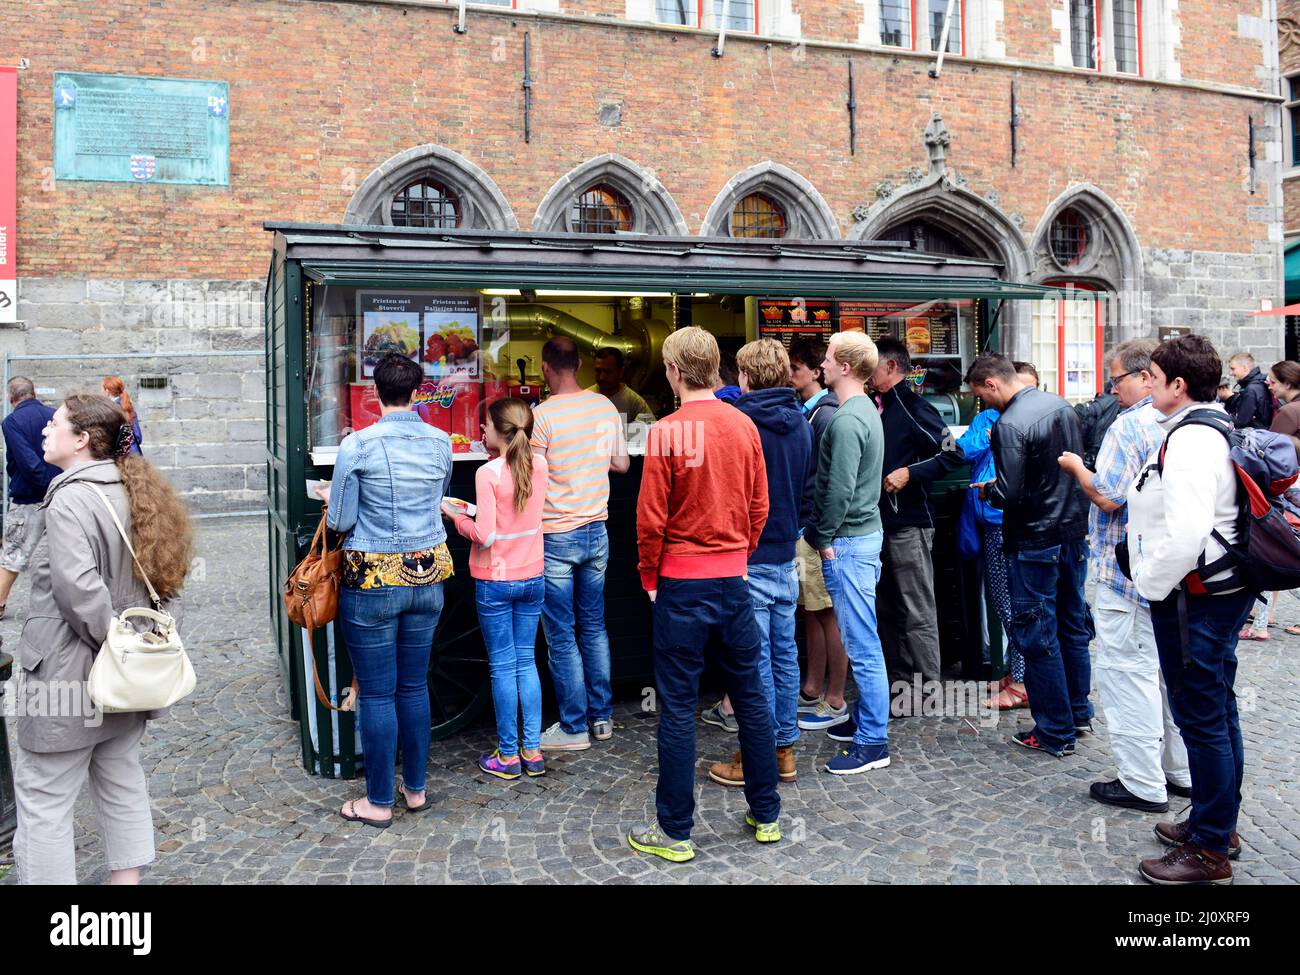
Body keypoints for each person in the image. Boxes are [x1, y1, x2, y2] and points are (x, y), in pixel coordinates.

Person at [13, 392, 193, 884]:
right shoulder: (139, 489)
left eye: (54, 424)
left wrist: (115, 648)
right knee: (120, 779)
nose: (44, 432)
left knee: (44, 798)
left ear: (82, 440)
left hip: (68, 675)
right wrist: (138, 648)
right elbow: (170, 586)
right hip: (128, 674)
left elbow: (79, 593)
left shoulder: (70, 496)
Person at [628, 326, 779, 862]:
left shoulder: (667, 431)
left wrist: (650, 578)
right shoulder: (744, 425)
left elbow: (651, 518)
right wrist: (739, 552)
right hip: (734, 579)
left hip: (681, 583)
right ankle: (766, 815)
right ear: (714, 366)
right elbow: (761, 505)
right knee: (752, 697)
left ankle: (675, 831)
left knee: (677, 706)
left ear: (672, 371)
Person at [1128, 335, 1256, 885]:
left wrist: (1150, 585)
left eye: (1154, 376)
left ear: (1179, 385)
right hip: (1213, 592)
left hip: (1194, 597)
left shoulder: (1191, 439)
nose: (1148, 383)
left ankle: (1209, 851)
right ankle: (1215, 823)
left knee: (1202, 717)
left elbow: (1185, 534)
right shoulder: (1209, 427)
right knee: (1215, 711)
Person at [1058, 339, 1191, 812]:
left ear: (1143, 376)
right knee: (1168, 675)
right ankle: (1180, 771)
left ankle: (1142, 782)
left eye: (1117, 379)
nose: (1112, 390)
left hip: (1126, 573)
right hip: (1178, 573)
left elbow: (1109, 496)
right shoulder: (1198, 420)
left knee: (1129, 675)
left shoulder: (1132, 425)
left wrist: (1076, 466)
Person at [328, 353, 453, 828]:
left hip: (374, 579)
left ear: (373, 392)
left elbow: (340, 518)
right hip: (427, 574)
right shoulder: (441, 442)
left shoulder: (357, 445)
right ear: (418, 391)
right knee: (415, 685)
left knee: (378, 693)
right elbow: (437, 497)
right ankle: (415, 790)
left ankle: (378, 802)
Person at [967, 353, 1093, 758]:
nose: (984, 405)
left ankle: (1055, 730)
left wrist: (988, 491)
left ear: (992, 384)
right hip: (1072, 532)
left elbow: (1010, 493)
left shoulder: (1009, 424)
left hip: (1036, 539)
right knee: (1071, 626)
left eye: (981, 396)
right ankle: (1078, 712)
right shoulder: (1059, 404)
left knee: (1038, 636)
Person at [707, 339, 814, 787]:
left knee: (755, 661)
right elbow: (809, 489)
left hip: (748, 553)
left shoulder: (741, 423)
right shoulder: (803, 422)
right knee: (784, 655)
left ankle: (759, 756)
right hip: (786, 551)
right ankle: (783, 748)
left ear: (746, 377)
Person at [532, 337, 628, 752]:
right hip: (596, 532)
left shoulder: (541, 416)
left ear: (545, 368)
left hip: (556, 534)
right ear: (581, 365)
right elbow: (621, 463)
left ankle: (573, 727)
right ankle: (602, 718)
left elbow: (532, 477)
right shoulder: (604, 407)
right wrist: (591, 459)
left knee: (561, 633)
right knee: (594, 625)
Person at [448, 398, 550, 780]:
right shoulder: (539, 464)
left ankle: (508, 755)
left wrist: (458, 518)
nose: (482, 429)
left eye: (486, 424)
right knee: (527, 662)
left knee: (503, 667)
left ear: (496, 430)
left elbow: (486, 535)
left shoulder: (487, 473)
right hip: (532, 575)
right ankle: (533, 751)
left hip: (495, 579)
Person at [805, 331, 890, 774]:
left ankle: (874, 741)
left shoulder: (846, 419)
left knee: (862, 643)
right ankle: (864, 722)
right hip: (860, 536)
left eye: (828, 357)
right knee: (863, 637)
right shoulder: (862, 411)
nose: (821, 362)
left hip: (849, 541)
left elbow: (837, 491)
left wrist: (821, 537)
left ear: (845, 367)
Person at [869, 337, 965, 704]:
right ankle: (901, 684)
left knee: (916, 607)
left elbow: (952, 455)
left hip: (909, 522)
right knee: (889, 608)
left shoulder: (912, 406)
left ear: (892, 367)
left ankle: (927, 689)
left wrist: (909, 472)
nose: (867, 371)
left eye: (873, 364)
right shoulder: (877, 406)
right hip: (881, 525)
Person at [788, 338, 850, 730]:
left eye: (798, 367)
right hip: (808, 527)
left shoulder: (824, 415)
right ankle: (813, 688)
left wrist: (817, 531)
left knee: (828, 614)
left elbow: (827, 482)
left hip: (816, 528)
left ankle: (836, 698)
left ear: (815, 373)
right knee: (813, 611)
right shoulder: (811, 412)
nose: (791, 374)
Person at [958, 405, 1028, 711]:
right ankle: (1016, 670)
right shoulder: (985, 418)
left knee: (1020, 603)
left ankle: (1024, 680)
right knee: (1002, 602)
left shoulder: (1031, 417)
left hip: (1013, 520)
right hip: (989, 517)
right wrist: (989, 439)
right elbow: (964, 451)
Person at [0, 377, 61, 619]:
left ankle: (0, 603)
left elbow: (28, 462)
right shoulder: (54, 414)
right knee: (60, 553)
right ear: (34, 392)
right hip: (60, 494)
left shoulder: (12, 422)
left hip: (30, 497)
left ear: (10, 397)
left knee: (14, 552)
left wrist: (47, 485)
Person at [590, 346, 652, 426]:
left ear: (621, 372)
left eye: (608, 372)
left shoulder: (634, 402)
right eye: (598, 371)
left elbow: (654, 432)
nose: (601, 377)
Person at [1219, 351, 1274, 430]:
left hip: (1256, 436)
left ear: (1245, 367)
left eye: (1233, 369)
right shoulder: (1259, 383)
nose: (1231, 373)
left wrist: (1220, 416)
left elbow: (1241, 422)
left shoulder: (1251, 389)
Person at [101, 376, 143, 456]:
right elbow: (138, 437)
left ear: (107, 391)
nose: (101, 392)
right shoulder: (127, 406)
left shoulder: (110, 409)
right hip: (135, 455)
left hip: (120, 458)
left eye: (102, 389)